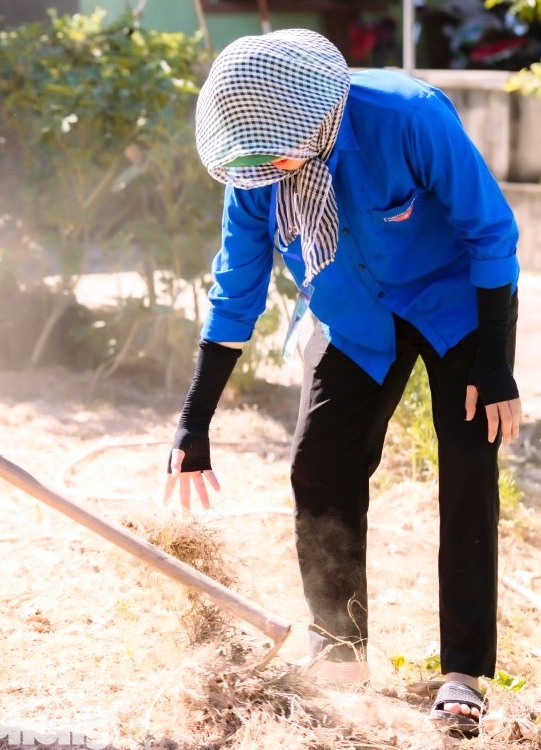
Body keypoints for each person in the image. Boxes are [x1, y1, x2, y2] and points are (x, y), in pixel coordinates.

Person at [163, 29, 520, 738]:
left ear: (316, 114)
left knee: (468, 465)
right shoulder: (258, 168)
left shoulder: (408, 115)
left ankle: (464, 673)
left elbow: (490, 232)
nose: (266, 167)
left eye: (277, 151)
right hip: (351, 313)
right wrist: (194, 419)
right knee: (318, 468)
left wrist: (495, 364)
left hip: (454, 306)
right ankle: (341, 658)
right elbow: (236, 290)